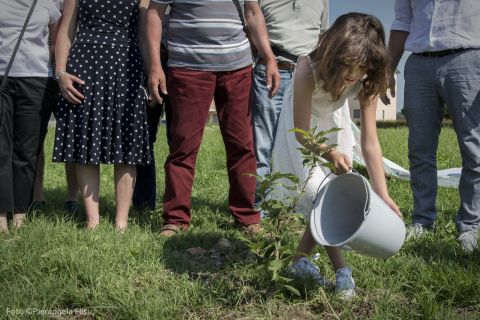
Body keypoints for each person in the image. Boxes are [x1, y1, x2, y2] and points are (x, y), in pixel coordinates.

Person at [271, 13, 402, 299]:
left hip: (333, 123)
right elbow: (301, 133)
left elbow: (369, 142)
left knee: (331, 191)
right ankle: (342, 270)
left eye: (362, 67)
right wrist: (328, 152)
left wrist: (383, 193)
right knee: (322, 192)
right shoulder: (307, 70)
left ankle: (299, 258)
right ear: (333, 54)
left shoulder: (366, 79)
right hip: (302, 129)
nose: (353, 74)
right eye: (347, 65)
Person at [146, 0, 280, 236]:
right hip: (188, 68)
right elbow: (154, 14)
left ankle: (247, 218)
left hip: (237, 67)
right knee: (183, 147)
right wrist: (155, 66)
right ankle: (175, 219)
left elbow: (252, 12)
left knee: (242, 145)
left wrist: (269, 57)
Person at [384, 0, 480, 253]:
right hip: (418, 64)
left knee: (474, 150)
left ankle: (469, 225)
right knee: (420, 150)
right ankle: (422, 220)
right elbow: (402, 23)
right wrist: (387, 70)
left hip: (469, 59)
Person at [53, 0, 151, 230]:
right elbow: (66, 30)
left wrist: (150, 76)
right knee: (86, 145)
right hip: (85, 67)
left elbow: (144, 37)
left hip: (127, 66)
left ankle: (121, 223)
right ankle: (92, 221)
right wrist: (60, 73)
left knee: (128, 146)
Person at [0, 0, 63, 232]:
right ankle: (1, 216)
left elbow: (56, 41)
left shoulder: (49, 1)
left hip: (36, 77)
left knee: (27, 149)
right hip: (2, 77)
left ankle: (20, 214)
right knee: (1, 147)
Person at [252, 0, 328, 191]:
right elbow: (251, 24)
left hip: (309, 74)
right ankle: (262, 202)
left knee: (304, 139)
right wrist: (267, 59)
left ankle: (298, 195)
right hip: (273, 69)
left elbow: (323, 36)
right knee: (264, 144)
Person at [32, 5, 80, 214]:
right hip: (38, 77)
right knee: (33, 139)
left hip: (69, 77)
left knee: (71, 139)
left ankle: (72, 197)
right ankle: (36, 196)